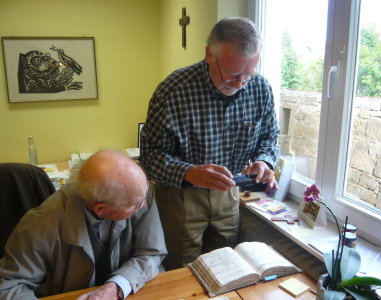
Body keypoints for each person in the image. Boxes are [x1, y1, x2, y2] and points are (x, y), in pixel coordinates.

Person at [140, 17, 280, 270]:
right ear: (208, 54)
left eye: (248, 75)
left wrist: (263, 160)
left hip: (229, 194)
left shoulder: (260, 88)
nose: (239, 85)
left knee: (223, 267)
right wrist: (189, 172)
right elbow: (149, 156)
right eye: (232, 74)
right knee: (181, 271)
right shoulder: (173, 91)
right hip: (181, 198)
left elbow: (270, 137)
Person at [0, 150, 167, 300]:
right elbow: (9, 286)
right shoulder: (40, 224)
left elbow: (152, 253)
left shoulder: (140, 192)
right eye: (136, 205)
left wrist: (116, 287)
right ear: (101, 208)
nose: (143, 206)